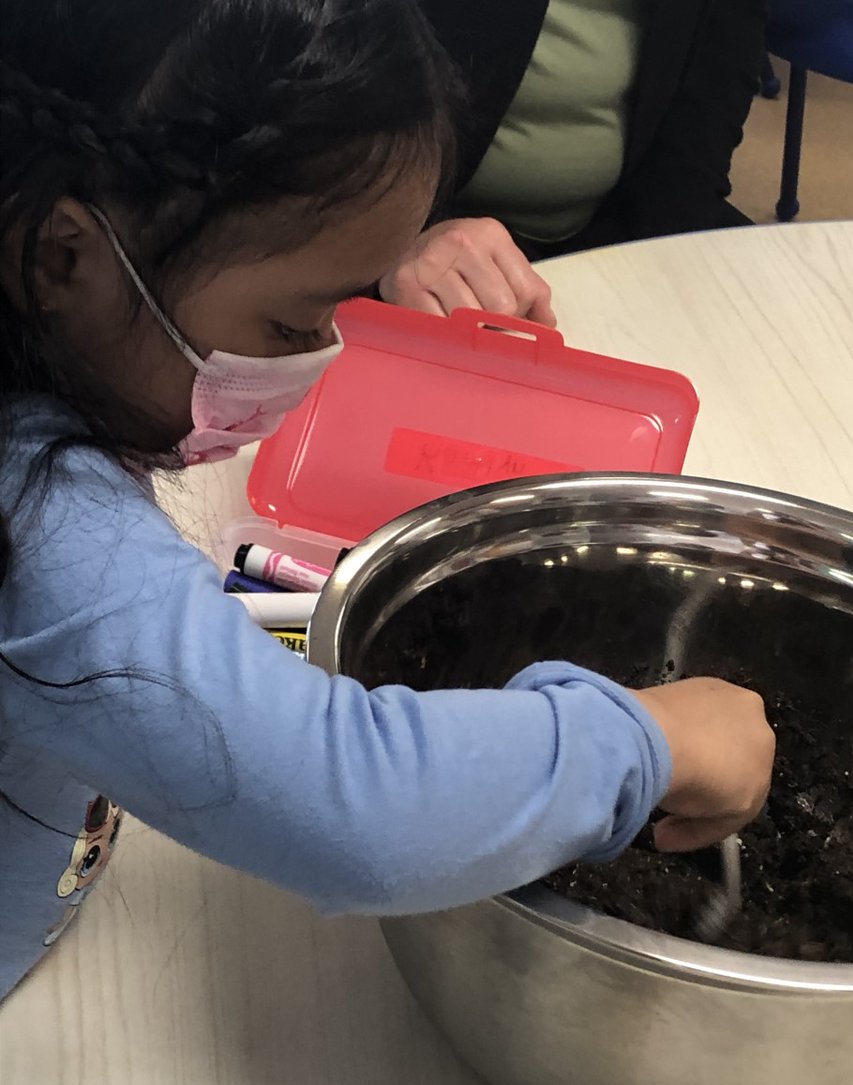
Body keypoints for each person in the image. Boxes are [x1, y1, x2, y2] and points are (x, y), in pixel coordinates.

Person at [0, 0, 774, 1002]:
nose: (319, 364)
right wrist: (645, 741)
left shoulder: (53, 336)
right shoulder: (41, 531)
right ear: (66, 255)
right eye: (291, 324)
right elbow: (349, 803)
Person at [379, 0, 765, 324]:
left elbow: (704, 127)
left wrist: (635, 268)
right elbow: (336, 77)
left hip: (619, 229)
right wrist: (394, 233)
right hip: (412, 218)